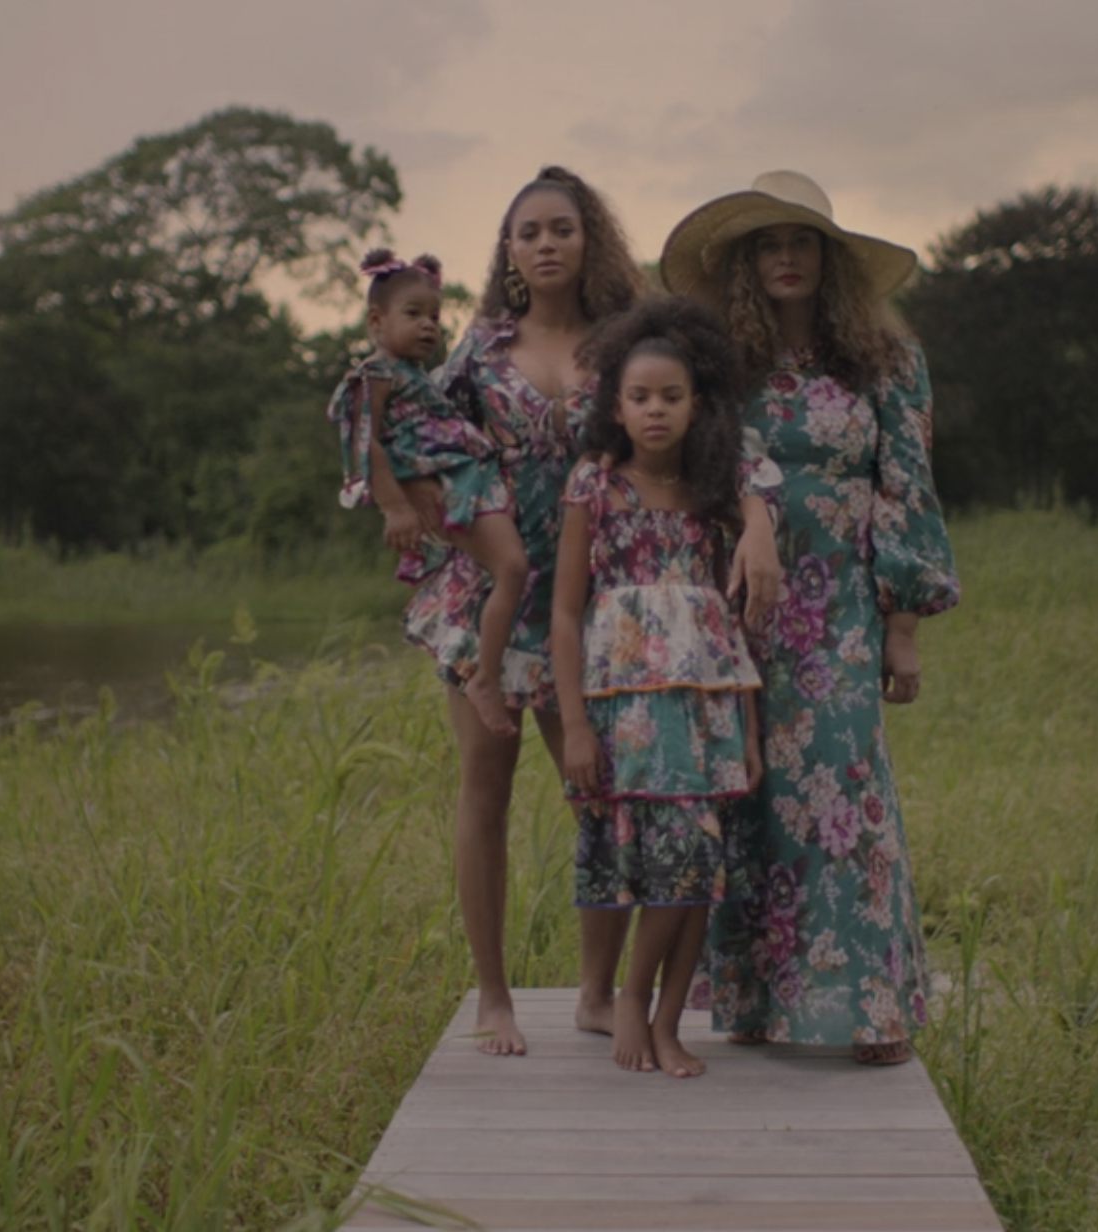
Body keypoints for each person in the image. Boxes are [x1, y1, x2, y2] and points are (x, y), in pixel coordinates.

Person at [400, 167, 782, 1055]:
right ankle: (493, 994)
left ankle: (595, 992)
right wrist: (411, 508)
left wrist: (757, 515)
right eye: (527, 230)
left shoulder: (625, 344)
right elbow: (416, 436)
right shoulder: (478, 353)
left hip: (604, 606)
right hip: (496, 595)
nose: (545, 244)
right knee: (484, 790)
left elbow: (725, 435)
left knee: (604, 795)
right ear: (508, 248)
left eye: (561, 228)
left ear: (588, 237)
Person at [661, 170, 960, 1065]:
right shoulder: (720, 364)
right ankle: (756, 1000)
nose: (785, 258)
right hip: (739, 602)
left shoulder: (887, 362)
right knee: (747, 792)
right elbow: (694, 467)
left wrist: (903, 624)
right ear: (746, 265)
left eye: (800, 242)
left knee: (843, 789)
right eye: (767, 245)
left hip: (841, 606)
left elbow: (908, 487)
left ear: (828, 260)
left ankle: (870, 1007)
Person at [551, 299, 762, 1078]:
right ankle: (630, 1002)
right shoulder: (594, 487)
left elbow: (722, 626)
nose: (655, 410)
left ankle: (666, 1018)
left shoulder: (711, 494)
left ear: (695, 404)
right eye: (640, 396)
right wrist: (573, 725)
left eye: (671, 396)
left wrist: (744, 724)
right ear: (616, 404)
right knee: (653, 863)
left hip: (702, 712)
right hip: (625, 715)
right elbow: (566, 615)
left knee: (699, 867)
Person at [327, 248, 527, 738]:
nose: (428, 326)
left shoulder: (414, 374)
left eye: (435, 317)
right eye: (413, 314)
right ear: (376, 320)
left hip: (466, 478)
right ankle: (484, 677)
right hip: (446, 487)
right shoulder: (374, 375)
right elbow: (362, 439)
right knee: (512, 568)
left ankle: (481, 662)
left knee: (505, 571)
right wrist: (394, 507)